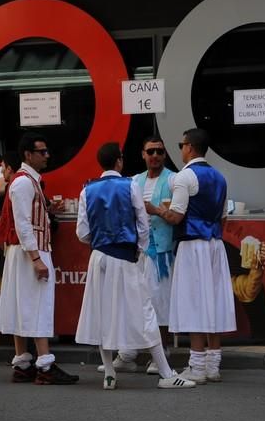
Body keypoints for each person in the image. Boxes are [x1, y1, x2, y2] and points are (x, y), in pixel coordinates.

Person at [76, 142, 195, 390]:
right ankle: (165, 372)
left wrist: (100, 242)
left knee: (103, 312)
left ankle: (109, 372)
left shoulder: (87, 190)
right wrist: (138, 249)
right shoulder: (130, 185)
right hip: (125, 256)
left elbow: (82, 233)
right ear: (119, 161)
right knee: (145, 311)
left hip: (99, 256)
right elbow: (142, 223)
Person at [0, 133, 78, 385]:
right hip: (31, 250)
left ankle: (23, 362)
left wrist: (47, 211)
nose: (47, 155)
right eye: (42, 152)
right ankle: (45, 365)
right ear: (28, 155)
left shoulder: (24, 181)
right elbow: (22, 223)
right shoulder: (24, 183)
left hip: (22, 251)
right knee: (39, 305)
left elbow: (24, 220)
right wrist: (36, 258)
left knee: (22, 305)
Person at [155, 128, 235, 384]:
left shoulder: (184, 176)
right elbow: (223, 216)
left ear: (189, 147)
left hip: (193, 244)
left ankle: (197, 366)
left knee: (194, 300)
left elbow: (176, 215)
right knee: (213, 299)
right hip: (215, 244)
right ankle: (213, 365)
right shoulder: (221, 178)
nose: (180, 149)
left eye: (181, 144)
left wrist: (155, 209)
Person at [96, 135, 175, 375]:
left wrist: (156, 210)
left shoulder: (173, 179)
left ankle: (160, 356)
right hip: (135, 253)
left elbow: (176, 214)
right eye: (150, 151)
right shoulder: (133, 181)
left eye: (160, 152)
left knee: (159, 305)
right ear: (142, 154)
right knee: (129, 303)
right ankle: (127, 353)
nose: (155, 156)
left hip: (160, 253)